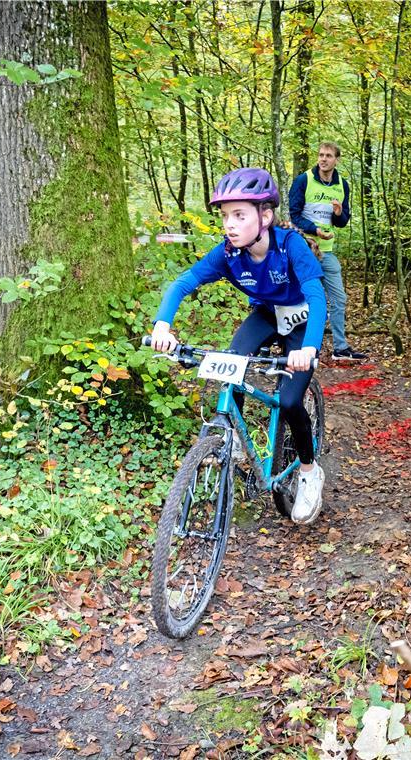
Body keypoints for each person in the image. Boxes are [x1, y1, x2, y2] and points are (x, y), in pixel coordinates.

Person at [149, 168, 327, 524]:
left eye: (239, 215)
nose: (229, 224)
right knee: (232, 363)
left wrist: (308, 348)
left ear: (265, 216)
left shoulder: (290, 246)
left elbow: (318, 297)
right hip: (264, 314)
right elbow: (184, 282)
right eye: (225, 216)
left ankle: (309, 471)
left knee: (290, 400)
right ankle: (232, 440)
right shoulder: (229, 254)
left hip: (300, 319)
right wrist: (162, 324)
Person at [288, 141, 368, 361]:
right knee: (299, 300)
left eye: (328, 156)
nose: (323, 159)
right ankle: (296, 347)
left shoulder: (342, 184)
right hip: (302, 251)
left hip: (327, 252)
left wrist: (339, 213)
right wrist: (314, 230)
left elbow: (342, 222)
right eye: (321, 155)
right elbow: (293, 215)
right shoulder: (303, 180)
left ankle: (340, 348)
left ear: (337, 160)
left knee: (339, 299)